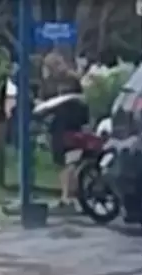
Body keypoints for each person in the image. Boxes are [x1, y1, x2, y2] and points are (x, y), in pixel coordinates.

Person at [40, 52, 89, 210]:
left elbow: (82, 100)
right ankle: (67, 195)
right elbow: (43, 102)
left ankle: (69, 195)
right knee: (62, 162)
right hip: (57, 125)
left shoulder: (72, 79)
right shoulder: (48, 83)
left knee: (72, 160)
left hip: (72, 123)